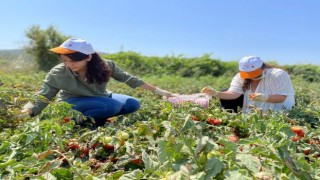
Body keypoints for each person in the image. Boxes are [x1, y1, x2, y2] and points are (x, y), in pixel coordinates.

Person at [20, 37, 175, 126]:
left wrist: (160, 91)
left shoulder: (106, 66)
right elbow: (43, 96)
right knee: (112, 106)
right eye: (65, 60)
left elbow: (130, 79)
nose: (68, 64)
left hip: (100, 97)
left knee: (133, 103)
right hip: (72, 102)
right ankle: (78, 122)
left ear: (88, 57)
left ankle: (98, 114)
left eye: (73, 60)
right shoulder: (58, 72)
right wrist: (28, 111)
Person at [201, 56, 295, 113]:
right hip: (253, 110)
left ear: (262, 67)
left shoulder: (277, 74)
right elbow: (233, 94)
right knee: (224, 93)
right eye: (248, 74)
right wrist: (215, 93)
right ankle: (235, 116)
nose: (251, 77)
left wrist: (265, 97)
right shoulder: (240, 77)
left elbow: (281, 98)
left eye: (253, 73)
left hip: (279, 110)